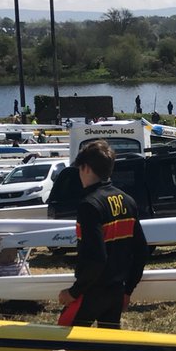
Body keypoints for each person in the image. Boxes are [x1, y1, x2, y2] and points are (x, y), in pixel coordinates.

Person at [58, 139, 148, 330]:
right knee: (108, 347)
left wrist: (73, 292)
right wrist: (128, 290)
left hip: (91, 292)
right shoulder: (127, 201)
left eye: (79, 169)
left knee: (61, 338)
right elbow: (141, 250)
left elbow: (96, 258)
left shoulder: (89, 205)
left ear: (87, 169)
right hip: (117, 291)